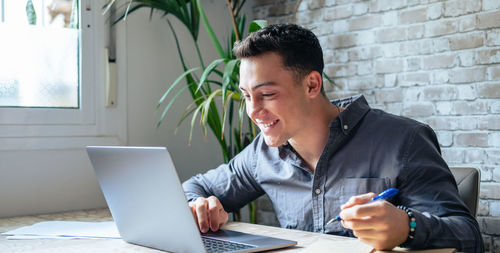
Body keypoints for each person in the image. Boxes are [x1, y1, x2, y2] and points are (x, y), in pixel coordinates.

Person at [182, 24, 483, 252]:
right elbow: (195, 187)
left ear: (312, 84)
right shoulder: (263, 153)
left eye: (267, 94)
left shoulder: (404, 140)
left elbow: (469, 236)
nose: (253, 111)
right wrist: (199, 204)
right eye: (247, 96)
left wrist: (408, 226)